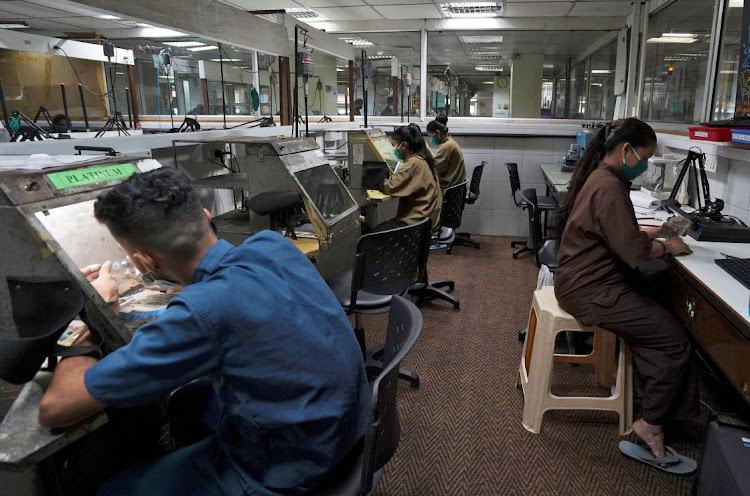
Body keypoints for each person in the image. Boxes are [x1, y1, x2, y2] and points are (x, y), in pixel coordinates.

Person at [38, 167, 369, 495]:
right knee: (188, 402)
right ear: (208, 216)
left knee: (114, 490)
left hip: (293, 466)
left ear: (145, 263)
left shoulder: (202, 311)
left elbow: (57, 408)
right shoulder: (272, 245)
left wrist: (89, 318)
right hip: (345, 429)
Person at [554, 117, 698, 467]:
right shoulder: (609, 188)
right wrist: (668, 247)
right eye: (645, 158)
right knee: (673, 339)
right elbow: (632, 253)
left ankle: (666, 411)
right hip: (589, 288)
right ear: (626, 151)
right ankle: (652, 423)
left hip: (587, 277)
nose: (645, 166)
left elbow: (620, 237)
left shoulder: (603, 178)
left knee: (659, 302)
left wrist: (658, 232)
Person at [376, 123, 442, 237]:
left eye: (394, 144)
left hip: (416, 223)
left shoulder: (413, 163)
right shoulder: (422, 158)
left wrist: (377, 180)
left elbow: (391, 186)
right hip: (425, 220)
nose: (393, 148)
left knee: (371, 235)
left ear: (403, 146)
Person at [426, 116, 466, 190]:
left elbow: (434, 169)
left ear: (437, 133)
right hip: (455, 188)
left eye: (431, 136)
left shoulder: (447, 146)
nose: (431, 139)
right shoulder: (450, 142)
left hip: (448, 190)